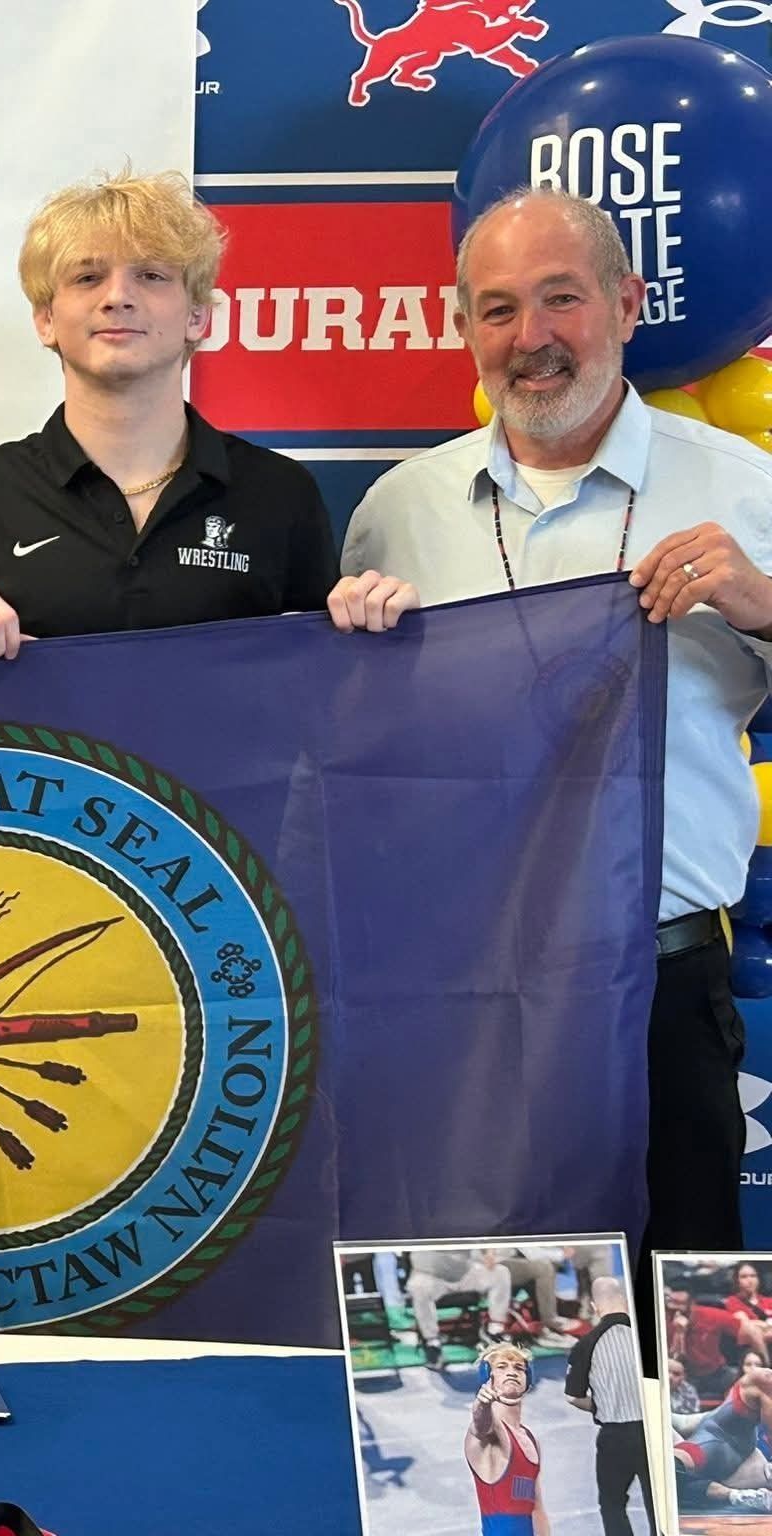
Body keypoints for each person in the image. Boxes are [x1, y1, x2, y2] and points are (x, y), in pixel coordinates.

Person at [332, 188, 772, 1301]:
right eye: (497, 309)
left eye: (560, 298)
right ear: (464, 329)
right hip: (460, 993)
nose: (530, 336)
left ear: (626, 304)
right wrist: (350, 663)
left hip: (663, 986)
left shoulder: (744, 488)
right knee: (476, 1329)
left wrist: (763, 603)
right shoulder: (396, 511)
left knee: (688, 1323)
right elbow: (355, 763)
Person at [0, 170, 337, 663]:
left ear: (197, 317)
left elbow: (327, 684)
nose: (117, 297)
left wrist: (372, 624)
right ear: (46, 320)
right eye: (88, 278)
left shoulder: (280, 494)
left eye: (151, 275)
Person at [563, 1275, 651, 1536]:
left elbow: (573, 1396)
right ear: (624, 1300)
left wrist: (602, 1405)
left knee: (612, 1504)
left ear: (594, 1307)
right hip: (652, 1433)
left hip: (615, 1437)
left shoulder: (586, 1344)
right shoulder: (649, 1335)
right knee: (658, 1502)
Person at [468, 1341, 550, 1536]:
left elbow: (536, 1507)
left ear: (528, 1380)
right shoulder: (487, 1437)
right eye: (502, 1367)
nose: (512, 1372)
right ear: (487, 1377)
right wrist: (481, 1405)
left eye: (519, 1368)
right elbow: (480, 1425)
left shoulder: (530, 1439)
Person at [673, 1362, 772, 1513]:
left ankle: (734, 1495)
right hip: (716, 1443)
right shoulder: (765, 1379)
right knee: (669, 1471)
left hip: (745, 1450)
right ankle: (733, 1495)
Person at [409, 1247, 513, 1368]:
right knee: (418, 1285)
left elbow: (482, 1241)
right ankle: (432, 1341)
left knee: (500, 1273)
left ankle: (494, 1330)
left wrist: (489, 1252)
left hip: (465, 1273)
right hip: (432, 1277)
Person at [670, 1284, 772, 1396]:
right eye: (673, 1306)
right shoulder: (662, 1320)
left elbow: (751, 1331)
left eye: (682, 1305)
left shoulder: (710, 1315)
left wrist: (766, 1366)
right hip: (686, 1374)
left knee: (744, 1382)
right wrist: (679, 1334)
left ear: (692, 1304)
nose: (678, 1311)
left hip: (717, 1371)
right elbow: (675, 1361)